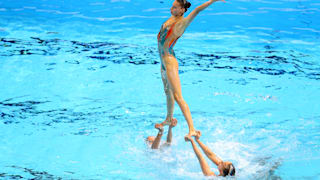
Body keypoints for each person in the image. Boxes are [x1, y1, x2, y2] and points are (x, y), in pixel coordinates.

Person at [156, 0, 226, 139]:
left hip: (169, 61)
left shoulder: (182, 22)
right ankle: (169, 118)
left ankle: (192, 128)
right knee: (167, 92)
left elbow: (198, 10)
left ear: (182, 10)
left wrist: (213, 0)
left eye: (175, 7)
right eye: (172, 6)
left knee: (177, 96)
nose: (172, 9)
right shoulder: (173, 18)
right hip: (163, 61)